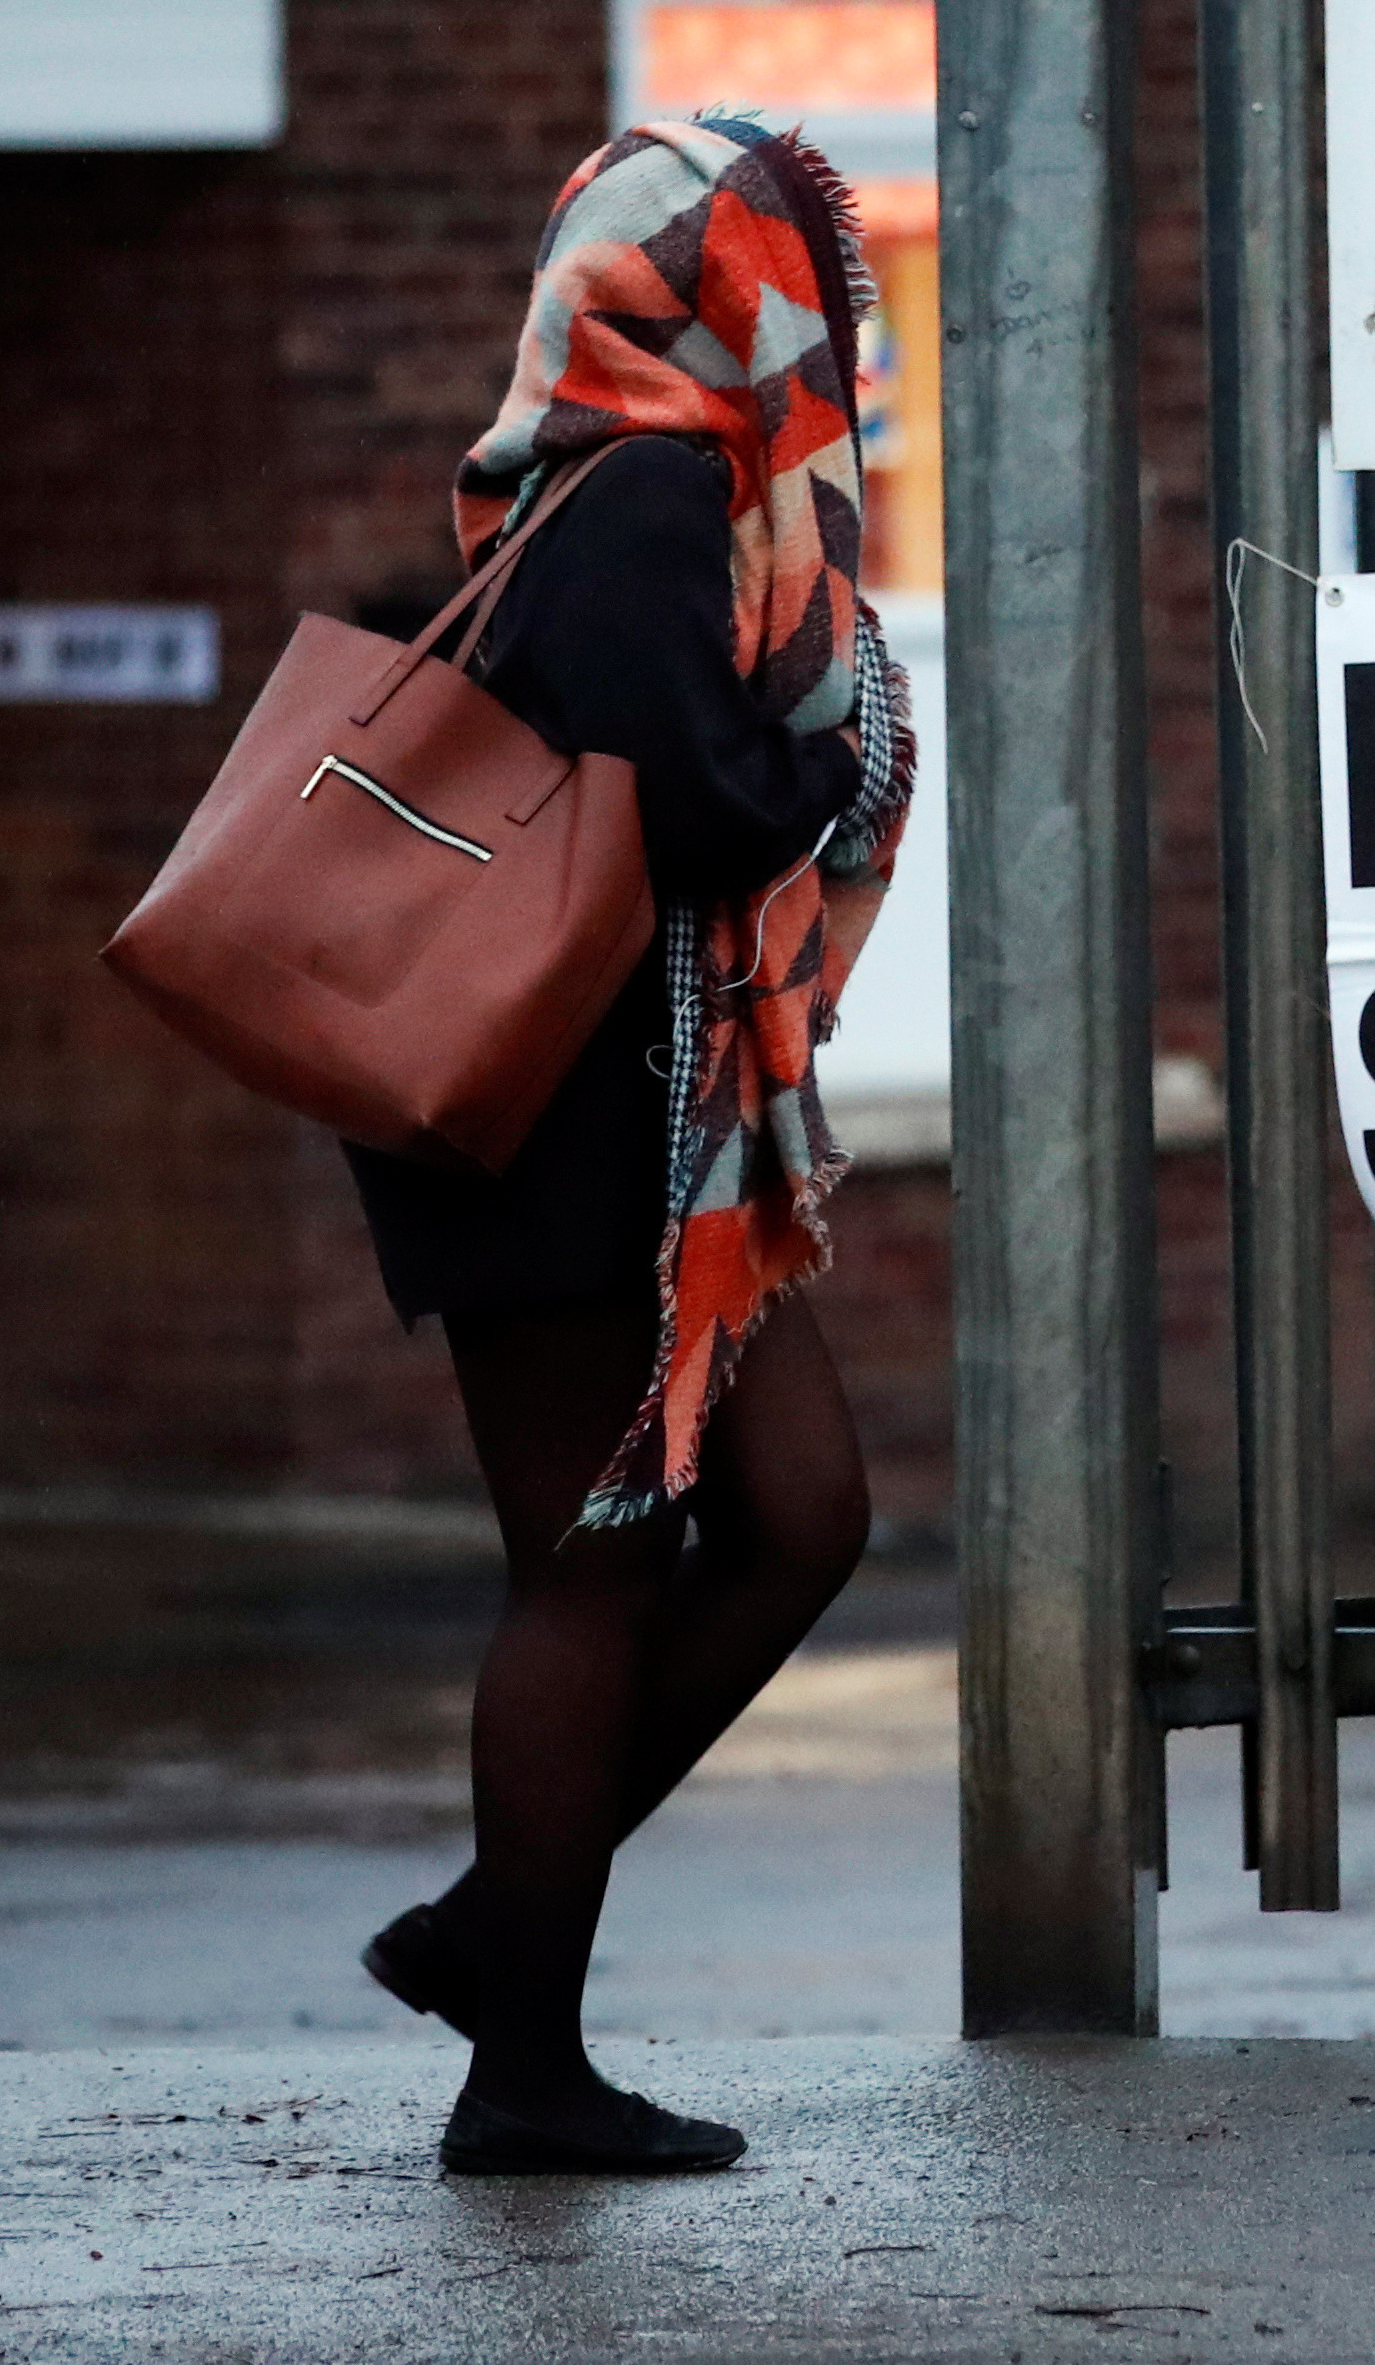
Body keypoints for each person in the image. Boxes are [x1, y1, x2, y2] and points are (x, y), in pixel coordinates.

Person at [344, 116, 920, 2178]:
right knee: (593, 1562)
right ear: (718, 299)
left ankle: (498, 1938)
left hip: (655, 1130)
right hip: (568, 1121)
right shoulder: (651, 497)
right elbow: (687, 797)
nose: (838, 328)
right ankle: (522, 2063)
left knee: (802, 1512)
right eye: (803, 284)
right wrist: (836, 746)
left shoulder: (642, 497)